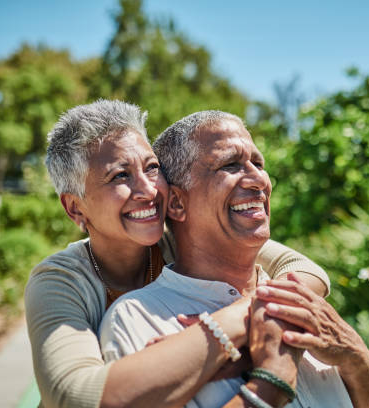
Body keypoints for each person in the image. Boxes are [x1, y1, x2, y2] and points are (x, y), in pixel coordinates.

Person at [25, 100, 332, 408]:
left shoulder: (178, 240)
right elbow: (73, 397)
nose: (149, 190)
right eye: (120, 176)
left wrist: (252, 324)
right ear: (75, 207)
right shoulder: (58, 281)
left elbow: (303, 269)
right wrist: (231, 325)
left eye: (151, 168)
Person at [100, 110, 369, 407]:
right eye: (230, 165)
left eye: (257, 163)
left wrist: (354, 356)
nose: (259, 180)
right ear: (177, 202)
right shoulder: (138, 319)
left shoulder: (300, 300)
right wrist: (273, 377)